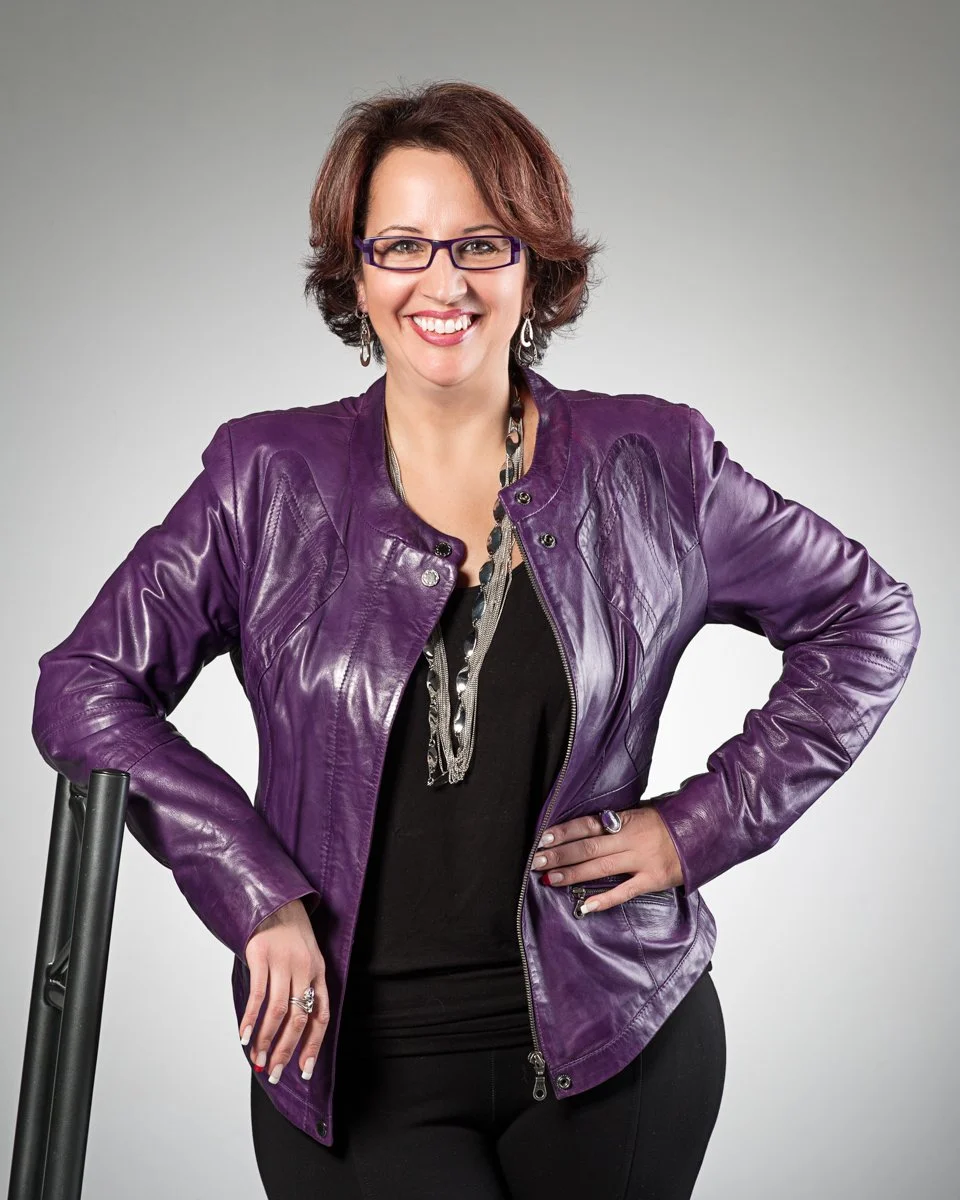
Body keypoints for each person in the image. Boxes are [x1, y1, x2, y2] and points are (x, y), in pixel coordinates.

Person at [31, 80, 921, 1200]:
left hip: (618, 1046)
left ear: (532, 266)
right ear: (353, 271)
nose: (440, 283)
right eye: (401, 245)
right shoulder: (265, 481)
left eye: (479, 244)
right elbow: (83, 688)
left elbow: (867, 616)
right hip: (351, 1061)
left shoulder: (653, 464)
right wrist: (252, 887)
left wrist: (704, 824)